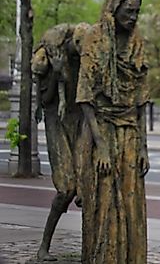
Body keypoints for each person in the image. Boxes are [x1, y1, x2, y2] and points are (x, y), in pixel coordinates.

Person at [77, 0, 149, 264]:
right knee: (104, 202)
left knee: (131, 204)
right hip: (101, 130)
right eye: (128, 11)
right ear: (114, 9)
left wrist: (144, 146)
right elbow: (85, 97)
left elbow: (141, 99)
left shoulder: (136, 41)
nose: (133, 17)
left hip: (129, 131)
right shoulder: (94, 39)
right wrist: (102, 147)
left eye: (136, 12)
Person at [32, 22, 89, 261]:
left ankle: (90, 247)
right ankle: (43, 247)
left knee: (87, 187)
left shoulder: (85, 59)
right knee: (66, 189)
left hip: (80, 122)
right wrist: (57, 74)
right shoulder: (52, 55)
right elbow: (46, 98)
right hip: (58, 123)